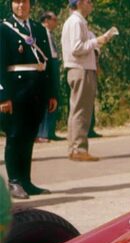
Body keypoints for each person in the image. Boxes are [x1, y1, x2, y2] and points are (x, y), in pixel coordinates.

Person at [0, 0, 58, 199]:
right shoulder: (4, 29)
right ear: (11, 5)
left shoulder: (38, 30)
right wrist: (3, 96)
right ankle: (14, 181)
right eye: (16, 2)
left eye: (24, 2)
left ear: (30, 4)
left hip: (36, 90)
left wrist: (52, 93)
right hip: (15, 92)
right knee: (15, 136)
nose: (20, 6)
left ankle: (26, 180)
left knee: (28, 137)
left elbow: (48, 63)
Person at [62, 0, 114, 162]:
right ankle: (78, 148)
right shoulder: (76, 22)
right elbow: (77, 48)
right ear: (80, 3)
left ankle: (75, 147)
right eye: (89, 1)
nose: (91, 4)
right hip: (81, 69)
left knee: (77, 109)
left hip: (80, 68)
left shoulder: (76, 22)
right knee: (81, 110)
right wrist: (98, 40)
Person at [35, 11, 62, 143]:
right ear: (46, 20)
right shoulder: (40, 32)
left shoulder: (50, 34)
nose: (56, 23)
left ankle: (50, 131)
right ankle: (42, 132)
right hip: (46, 65)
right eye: (54, 19)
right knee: (45, 98)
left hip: (53, 64)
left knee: (54, 96)